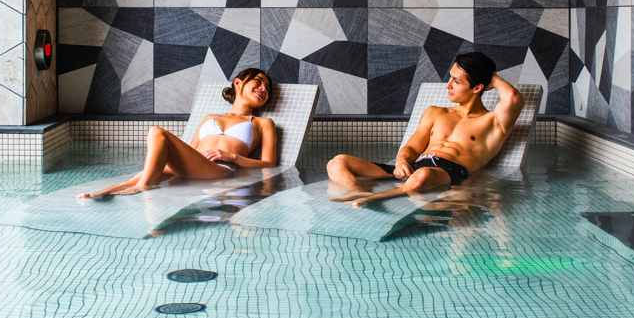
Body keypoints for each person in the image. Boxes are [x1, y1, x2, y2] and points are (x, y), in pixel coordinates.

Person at [326, 52, 524, 207]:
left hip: (448, 172)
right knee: (337, 163)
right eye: (450, 78)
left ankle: (377, 198)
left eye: (456, 81)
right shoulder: (435, 112)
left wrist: (492, 77)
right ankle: (359, 192)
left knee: (423, 176)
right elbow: (412, 147)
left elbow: (513, 98)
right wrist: (401, 161)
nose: (448, 85)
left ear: (477, 88)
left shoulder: (493, 121)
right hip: (417, 167)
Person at [79, 68, 280, 197]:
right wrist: (161, 167)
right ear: (238, 83)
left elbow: (269, 163)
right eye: (259, 81)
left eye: (267, 88)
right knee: (146, 173)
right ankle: (104, 193)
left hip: (220, 170)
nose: (264, 88)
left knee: (157, 133)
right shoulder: (209, 117)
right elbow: (190, 150)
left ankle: (144, 186)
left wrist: (232, 157)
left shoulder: (263, 123)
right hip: (195, 166)